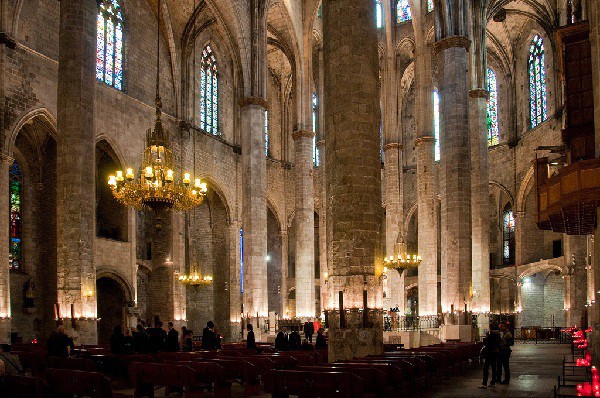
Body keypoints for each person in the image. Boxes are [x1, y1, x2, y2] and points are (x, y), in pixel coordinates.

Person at [480, 321, 501, 389]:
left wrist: (487, 336)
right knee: (494, 367)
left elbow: (487, 343)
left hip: (490, 352)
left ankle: (484, 383)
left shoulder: (491, 334)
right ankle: (493, 382)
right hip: (496, 352)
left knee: (486, 367)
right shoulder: (498, 334)